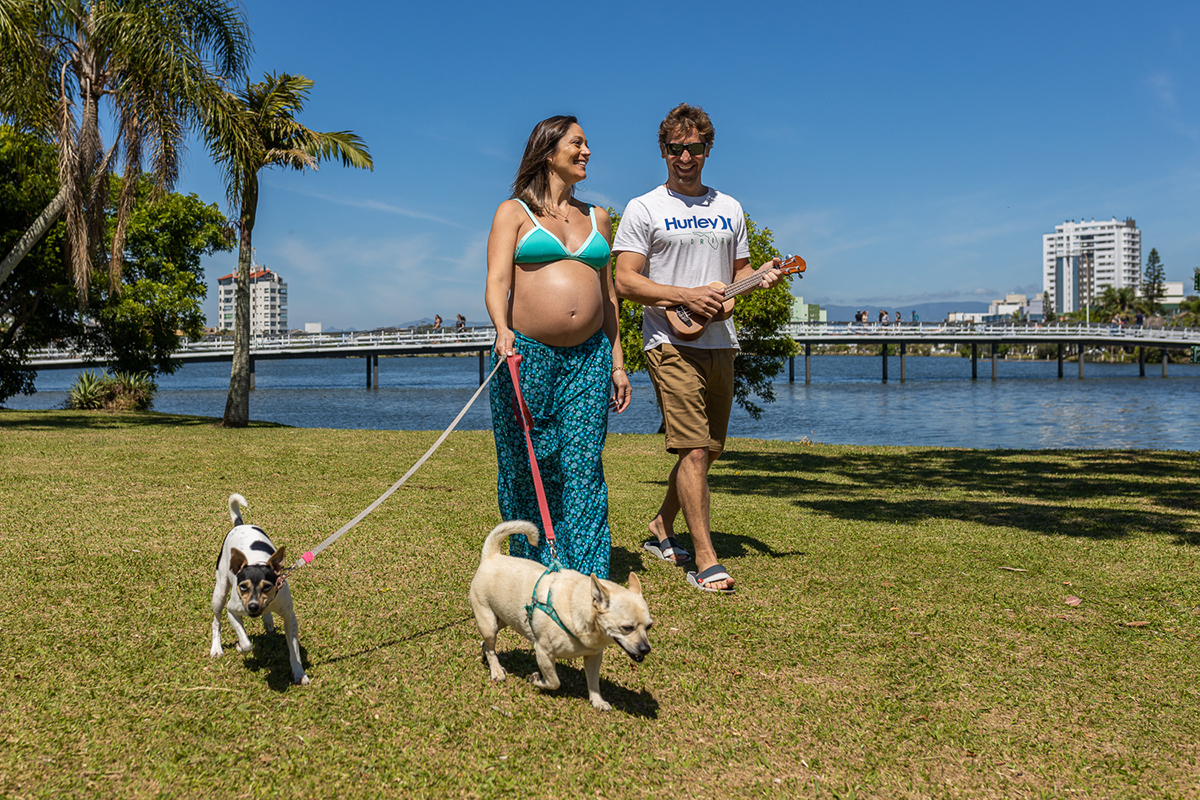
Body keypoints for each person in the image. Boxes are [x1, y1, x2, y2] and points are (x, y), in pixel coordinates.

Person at [613, 103, 782, 594]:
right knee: (691, 448)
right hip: (668, 340)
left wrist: (760, 280)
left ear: (708, 149)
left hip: (719, 342)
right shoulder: (645, 208)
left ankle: (662, 525)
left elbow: (739, 276)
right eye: (675, 148)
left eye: (695, 148)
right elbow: (625, 280)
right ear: (663, 150)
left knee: (709, 450)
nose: (685, 157)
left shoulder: (729, 208)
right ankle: (706, 559)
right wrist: (685, 296)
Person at [485, 115, 631, 580]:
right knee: (530, 463)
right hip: (526, 354)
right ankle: (534, 568)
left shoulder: (599, 217)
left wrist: (618, 361)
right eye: (577, 143)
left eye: (587, 144)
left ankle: (588, 575)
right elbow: (497, 282)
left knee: (583, 463)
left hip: (589, 358)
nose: (587, 151)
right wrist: (501, 328)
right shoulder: (513, 213)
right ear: (549, 151)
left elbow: (608, 298)